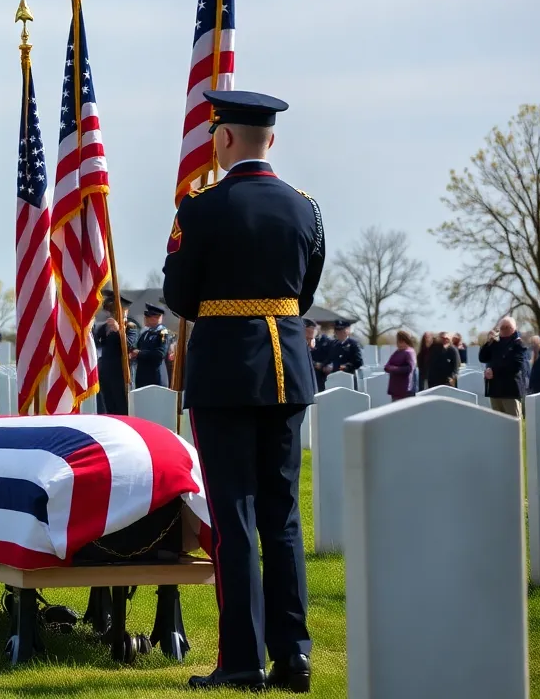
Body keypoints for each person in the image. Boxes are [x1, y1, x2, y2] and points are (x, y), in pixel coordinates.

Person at [162, 89, 318, 692]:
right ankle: (294, 655)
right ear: (269, 140)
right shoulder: (307, 209)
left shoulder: (200, 207)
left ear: (223, 138)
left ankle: (242, 660)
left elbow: (178, 297)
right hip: (288, 370)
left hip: (226, 371)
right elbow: (303, 294)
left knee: (235, 519)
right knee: (282, 516)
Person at [94, 294, 137, 414]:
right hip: (106, 371)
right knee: (108, 405)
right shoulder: (105, 326)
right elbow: (98, 341)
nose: (113, 315)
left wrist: (118, 330)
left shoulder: (130, 326)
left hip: (120, 373)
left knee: (121, 406)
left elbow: (129, 344)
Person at [479, 316, 526, 417]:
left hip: (510, 391)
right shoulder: (495, 343)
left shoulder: (517, 344)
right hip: (495, 389)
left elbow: (515, 365)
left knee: (513, 424)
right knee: (498, 424)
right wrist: (488, 342)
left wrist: (494, 371)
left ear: (514, 328)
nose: (504, 329)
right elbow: (483, 357)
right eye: (502, 327)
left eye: (508, 327)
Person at [132, 303, 169, 388]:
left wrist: (140, 353)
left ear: (157, 318)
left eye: (148, 317)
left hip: (155, 378)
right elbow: (137, 347)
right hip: (142, 378)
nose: (145, 319)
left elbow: (160, 354)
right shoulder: (145, 333)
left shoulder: (162, 333)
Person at [322, 320, 362, 387]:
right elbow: (329, 358)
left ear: (347, 331)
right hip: (334, 376)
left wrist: (347, 366)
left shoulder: (353, 344)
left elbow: (358, 362)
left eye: (341, 331)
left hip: (348, 376)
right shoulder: (333, 344)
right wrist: (324, 365)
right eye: (337, 331)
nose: (339, 333)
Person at [383, 330, 418, 401]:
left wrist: (395, 369)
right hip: (395, 387)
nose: (399, 344)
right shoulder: (397, 352)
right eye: (398, 341)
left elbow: (410, 368)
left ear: (406, 341)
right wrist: (390, 368)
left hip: (404, 388)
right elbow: (387, 366)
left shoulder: (409, 352)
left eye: (401, 341)